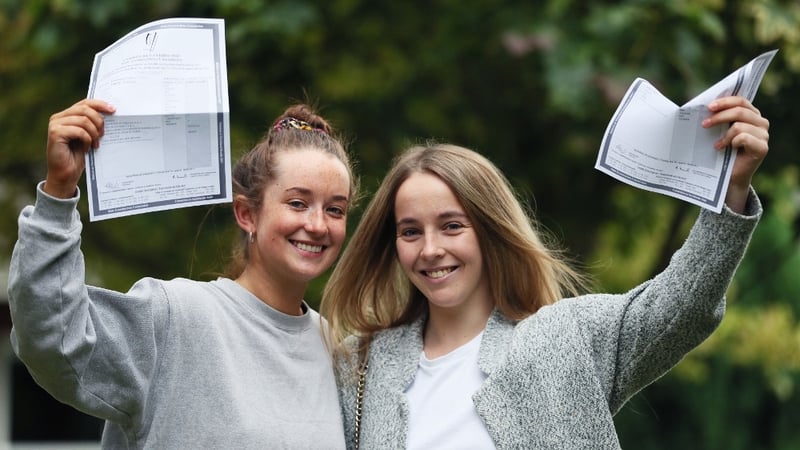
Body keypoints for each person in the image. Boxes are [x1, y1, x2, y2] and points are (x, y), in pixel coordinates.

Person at [321, 95, 769, 449]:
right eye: (410, 231)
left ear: (490, 229)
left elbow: (682, 306)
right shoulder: (360, 363)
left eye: (452, 226)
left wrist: (731, 190)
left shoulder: (565, 337)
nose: (431, 249)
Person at [8, 98, 359, 448]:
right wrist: (58, 193)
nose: (317, 225)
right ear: (247, 214)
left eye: (335, 209)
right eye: (297, 203)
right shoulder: (176, 316)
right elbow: (54, 345)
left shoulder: (334, 349)